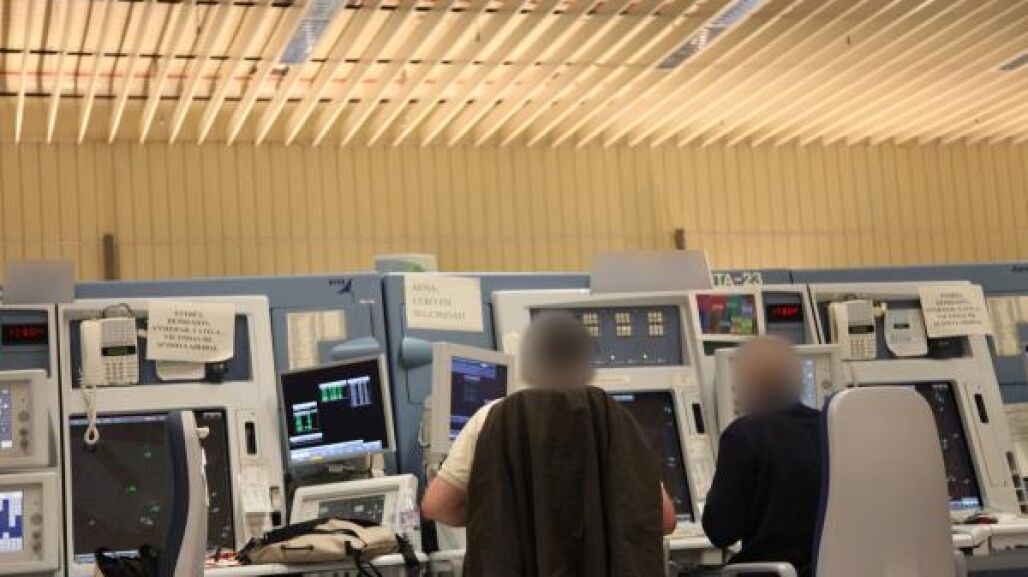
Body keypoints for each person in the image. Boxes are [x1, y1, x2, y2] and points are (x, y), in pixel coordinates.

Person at [422, 311, 677, 533]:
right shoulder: (614, 420)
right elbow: (664, 520)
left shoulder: (491, 417)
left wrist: (496, 517)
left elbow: (437, 506)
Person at [702, 336, 823, 577]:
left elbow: (720, 532)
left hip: (767, 572)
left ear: (748, 385)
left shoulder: (742, 436)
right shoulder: (828, 427)